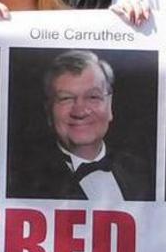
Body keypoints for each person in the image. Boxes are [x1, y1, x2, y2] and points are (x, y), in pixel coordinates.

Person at [9, 49, 148, 203]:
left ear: (109, 106)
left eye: (93, 97)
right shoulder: (22, 182)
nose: (80, 111)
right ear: (49, 111)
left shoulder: (142, 173)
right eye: (66, 98)